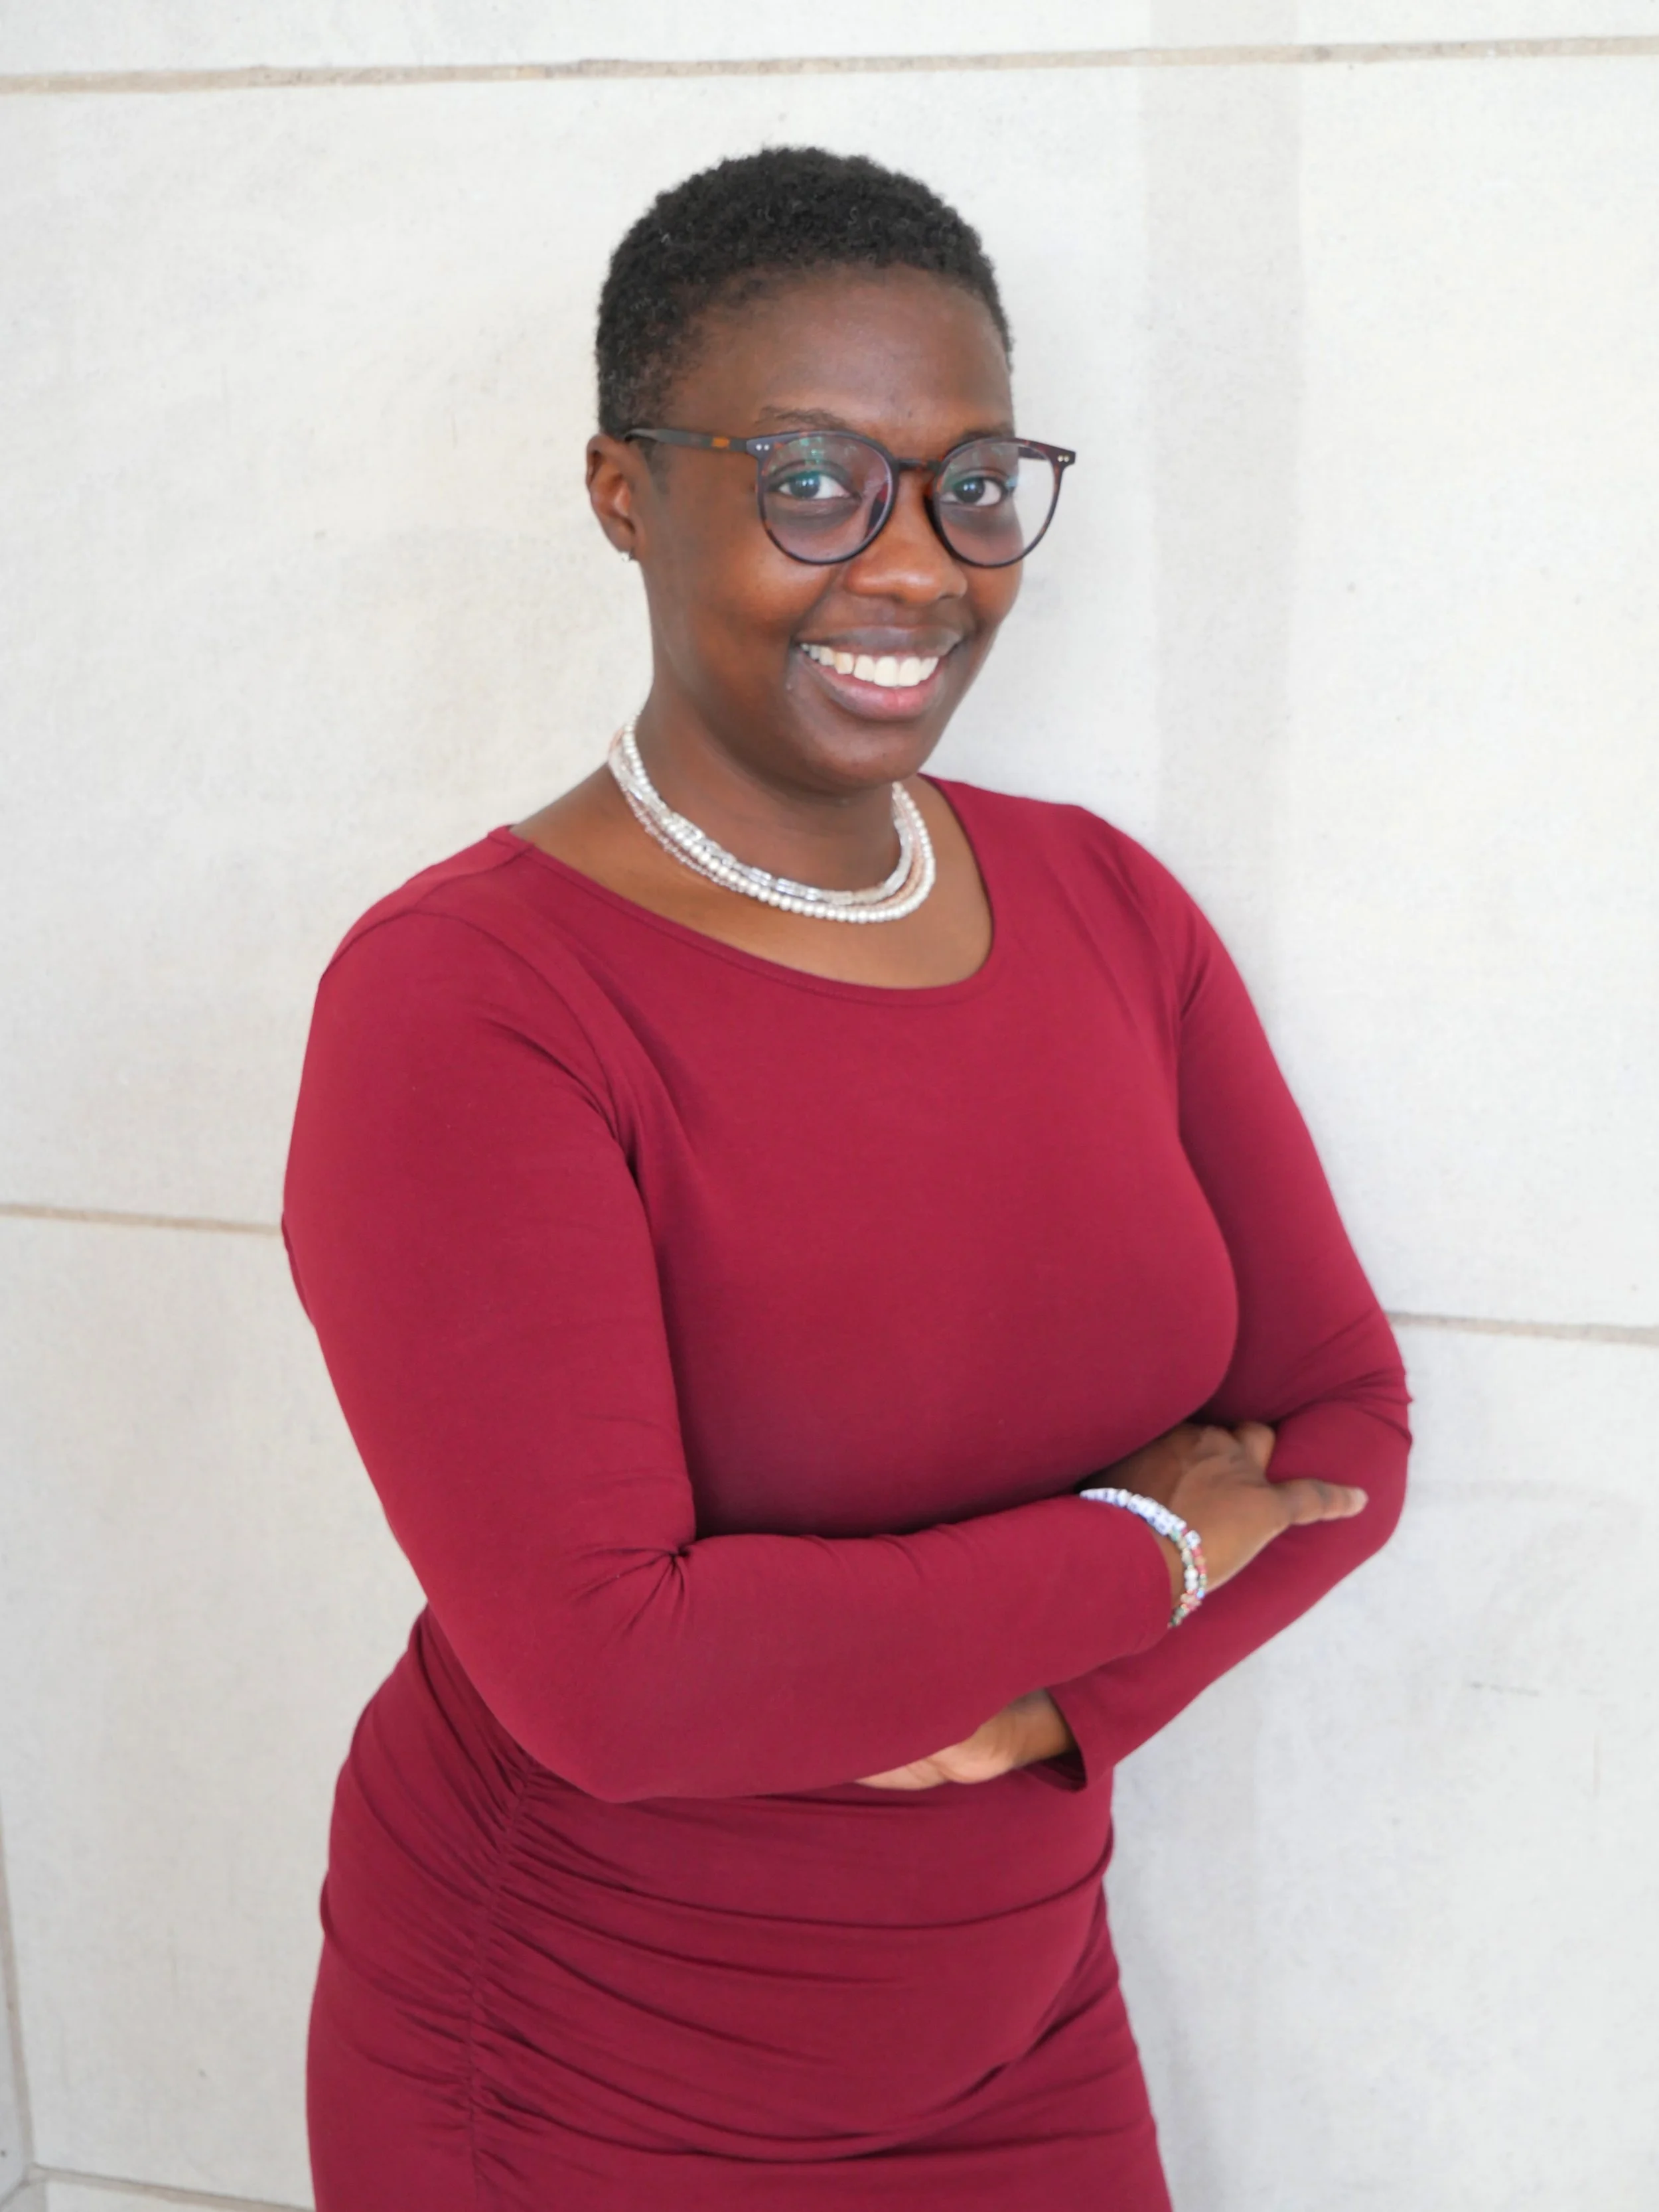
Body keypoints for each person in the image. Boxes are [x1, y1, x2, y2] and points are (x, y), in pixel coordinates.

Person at [283, 145, 1410, 2211]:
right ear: (624, 491)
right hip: (586, 2062)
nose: (916, 566)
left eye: (969, 483)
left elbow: (1342, 1425)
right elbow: (615, 1679)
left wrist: (1035, 1711)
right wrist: (1141, 1551)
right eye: (812, 480)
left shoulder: (1102, 905)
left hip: (1021, 2016)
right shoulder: (467, 1001)